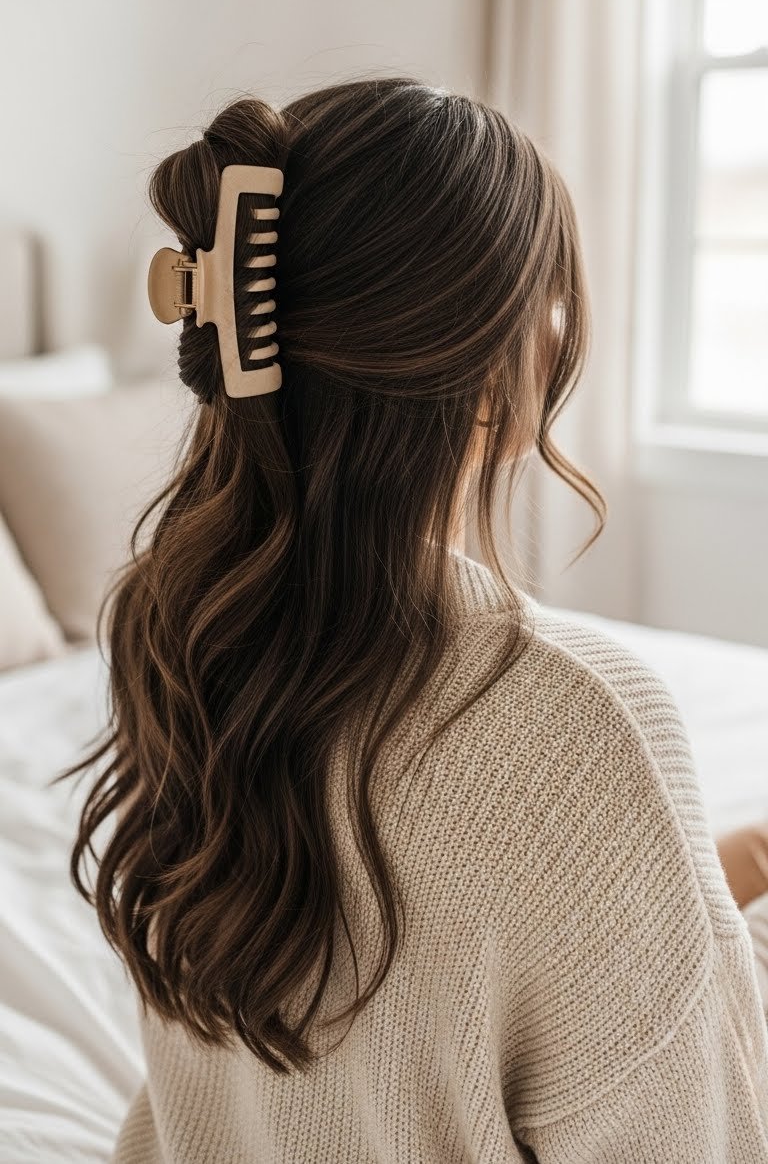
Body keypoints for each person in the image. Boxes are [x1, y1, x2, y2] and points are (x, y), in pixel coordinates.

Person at [59, 79, 768, 1161]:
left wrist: (700, 885)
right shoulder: (578, 718)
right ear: (485, 365)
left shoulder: (176, 633)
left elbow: (413, 963)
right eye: (547, 299)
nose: (561, 330)